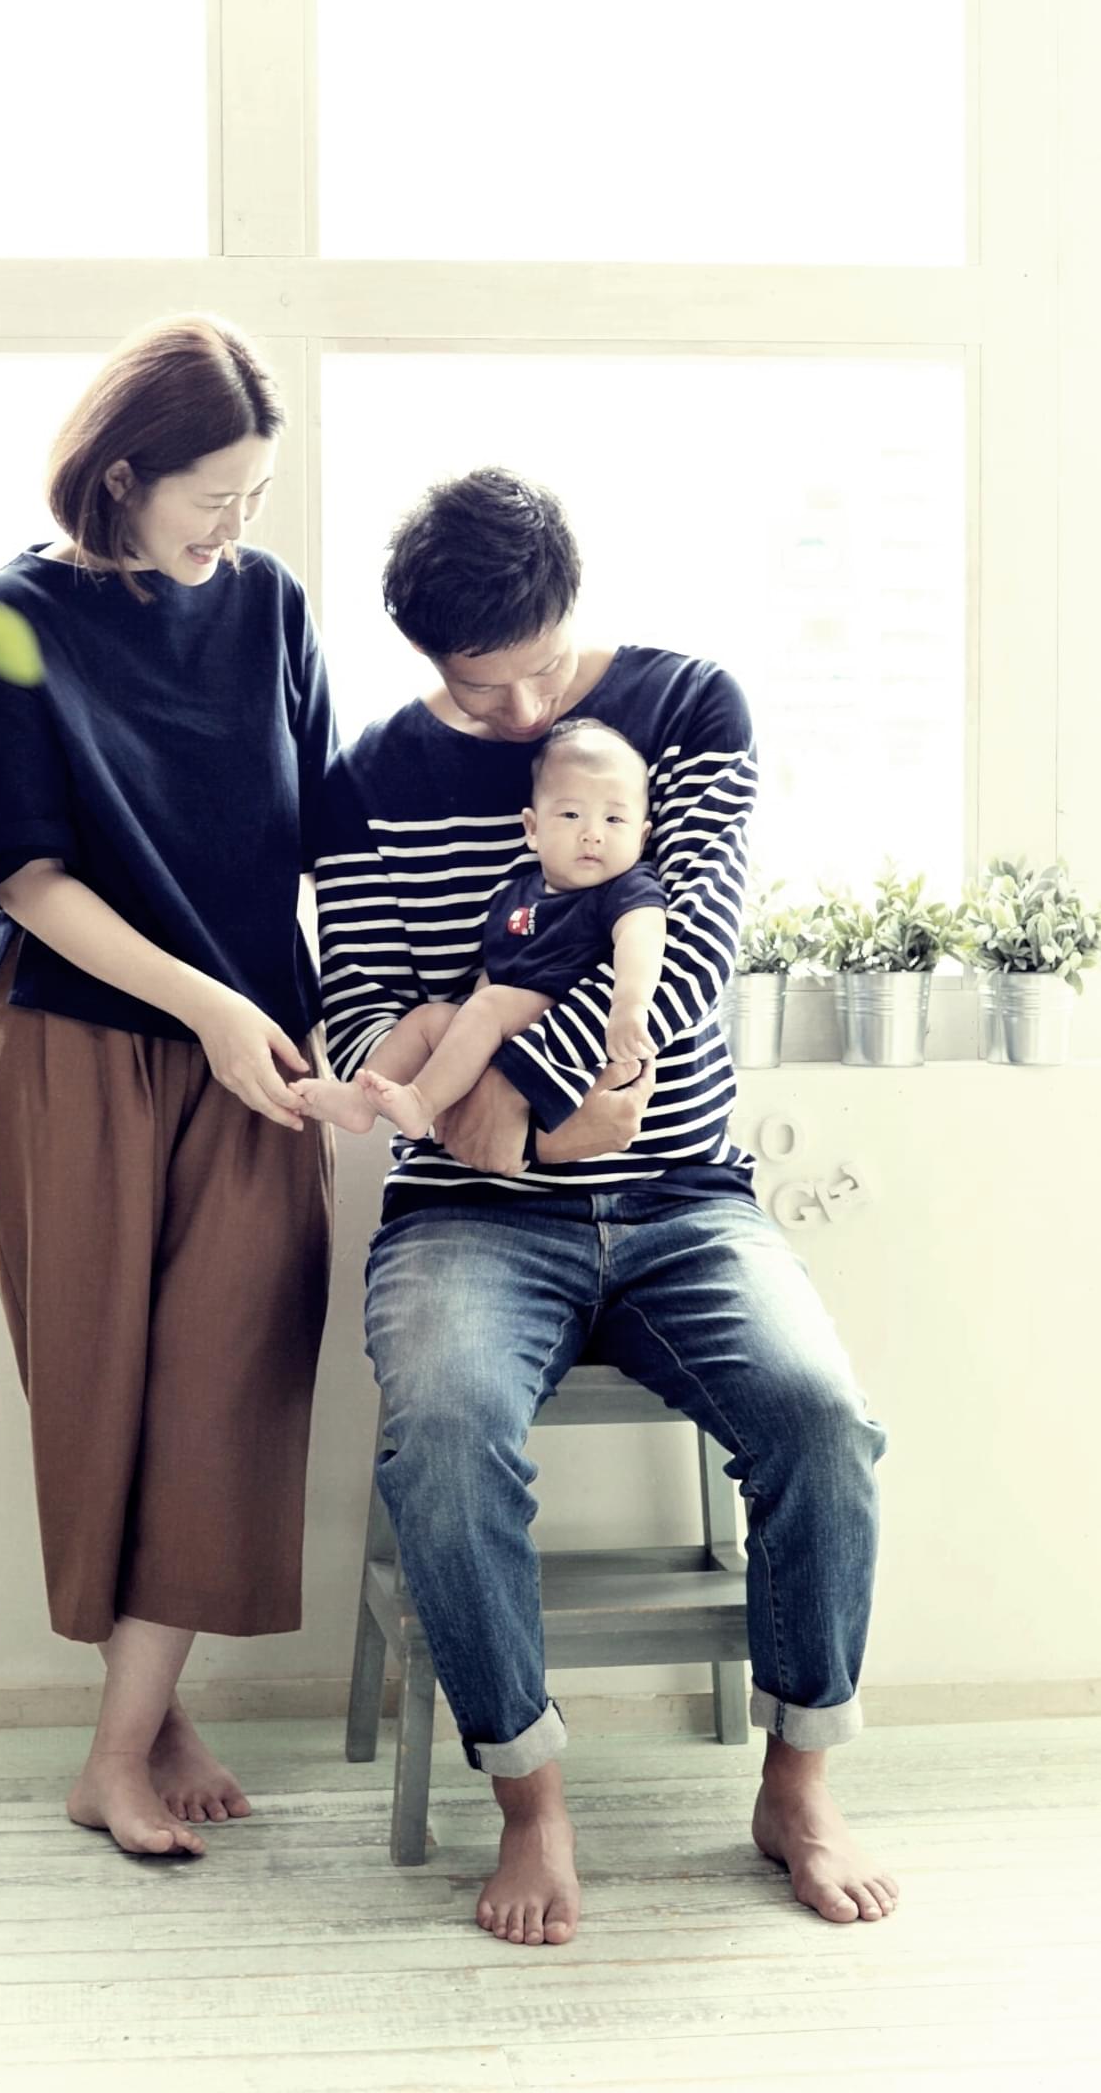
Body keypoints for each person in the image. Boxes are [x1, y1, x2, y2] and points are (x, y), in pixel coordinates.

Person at [315, 466, 895, 1946]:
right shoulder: (369, 775)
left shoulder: (691, 708)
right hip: (464, 1218)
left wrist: (519, 1094)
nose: (518, 716)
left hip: (688, 1201)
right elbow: (359, 1002)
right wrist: (471, 1109)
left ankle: (799, 1786)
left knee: (822, 1423)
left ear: (572, 608)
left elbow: (684, 954)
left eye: (536, 674)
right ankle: (532, 1804)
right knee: (447, 1440)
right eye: (478, 687)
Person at [0, 315, 335, 1860]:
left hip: (257, 1061)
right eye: (212, 496)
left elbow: (330, 835)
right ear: (122, 475)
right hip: (73, 1042)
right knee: (104, 1400)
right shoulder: (12, 616)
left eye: (254, 498)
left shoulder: (270, 605)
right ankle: (147, 1729)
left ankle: (112, 1754)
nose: (234, 527)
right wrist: (209, 1005)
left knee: (223, 1397)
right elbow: (23, 873)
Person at [298, 717, 665, 1139]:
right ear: (533, 829)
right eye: (570, 814)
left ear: (642, 838)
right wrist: (466, 1032)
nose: (592, 834)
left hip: (571, 1023)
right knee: (430, 1019)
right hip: (507, 1024)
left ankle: (421, 1103)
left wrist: (629, 1007)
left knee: (489, 1006)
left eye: (614, 820)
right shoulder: (516, 896)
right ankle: (359, 1102)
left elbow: (642, 938)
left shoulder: (626, 887)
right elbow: (497, 967)